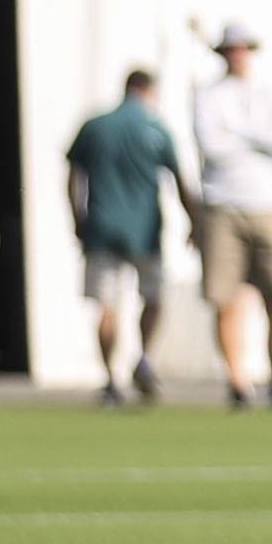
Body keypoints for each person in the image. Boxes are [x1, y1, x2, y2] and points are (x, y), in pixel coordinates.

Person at [190, 24, 272, 409]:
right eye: (233, 49)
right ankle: (238, 381)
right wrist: (259, 136)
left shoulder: (266, 93)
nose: (239, 55)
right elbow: (213, 147)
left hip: (269, 205)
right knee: (226, 297)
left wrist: (240, 132)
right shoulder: (207, 96)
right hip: (223, 205)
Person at [68, 69, 192, 406]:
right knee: (153, 296)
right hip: (144, 229)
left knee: (107, 305)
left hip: (102, 226)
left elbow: (73, 174)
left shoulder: (95, 125)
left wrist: (76, 217)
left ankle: (110, 378)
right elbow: (179, 180)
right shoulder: (156, 128)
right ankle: (143, 358)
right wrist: (194, 221)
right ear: (148, 90)